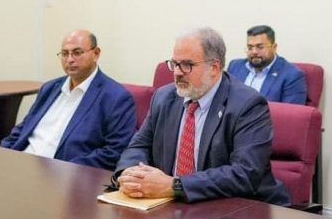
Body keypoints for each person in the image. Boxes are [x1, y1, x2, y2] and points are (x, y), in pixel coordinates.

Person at [114, 27, 290, 205]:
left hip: (237, 209)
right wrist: (129, 174)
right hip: (172, 206)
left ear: (213, 67)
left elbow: (244, 174)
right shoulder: (164, 97)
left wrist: (175, 186)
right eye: (174, 64)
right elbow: (139, 146)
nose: (177, 72)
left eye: (187, 65)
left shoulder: (248, 105)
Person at [1, 30, 136, 170]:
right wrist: (3, 153)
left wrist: (65, 170)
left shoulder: (116, 97)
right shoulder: (49, 88)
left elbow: (114, 152)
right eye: (65, 54)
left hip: (65, 177)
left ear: (96, 53)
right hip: (20, 165)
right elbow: (23, 128)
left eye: (77, 53)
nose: (70, 59)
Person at [227, 25, 306, 104]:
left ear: (274, 47)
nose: (254, 52)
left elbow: (290, 113)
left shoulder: (292, 76)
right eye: (250, 47)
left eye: (260, 47)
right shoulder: (235, 66)